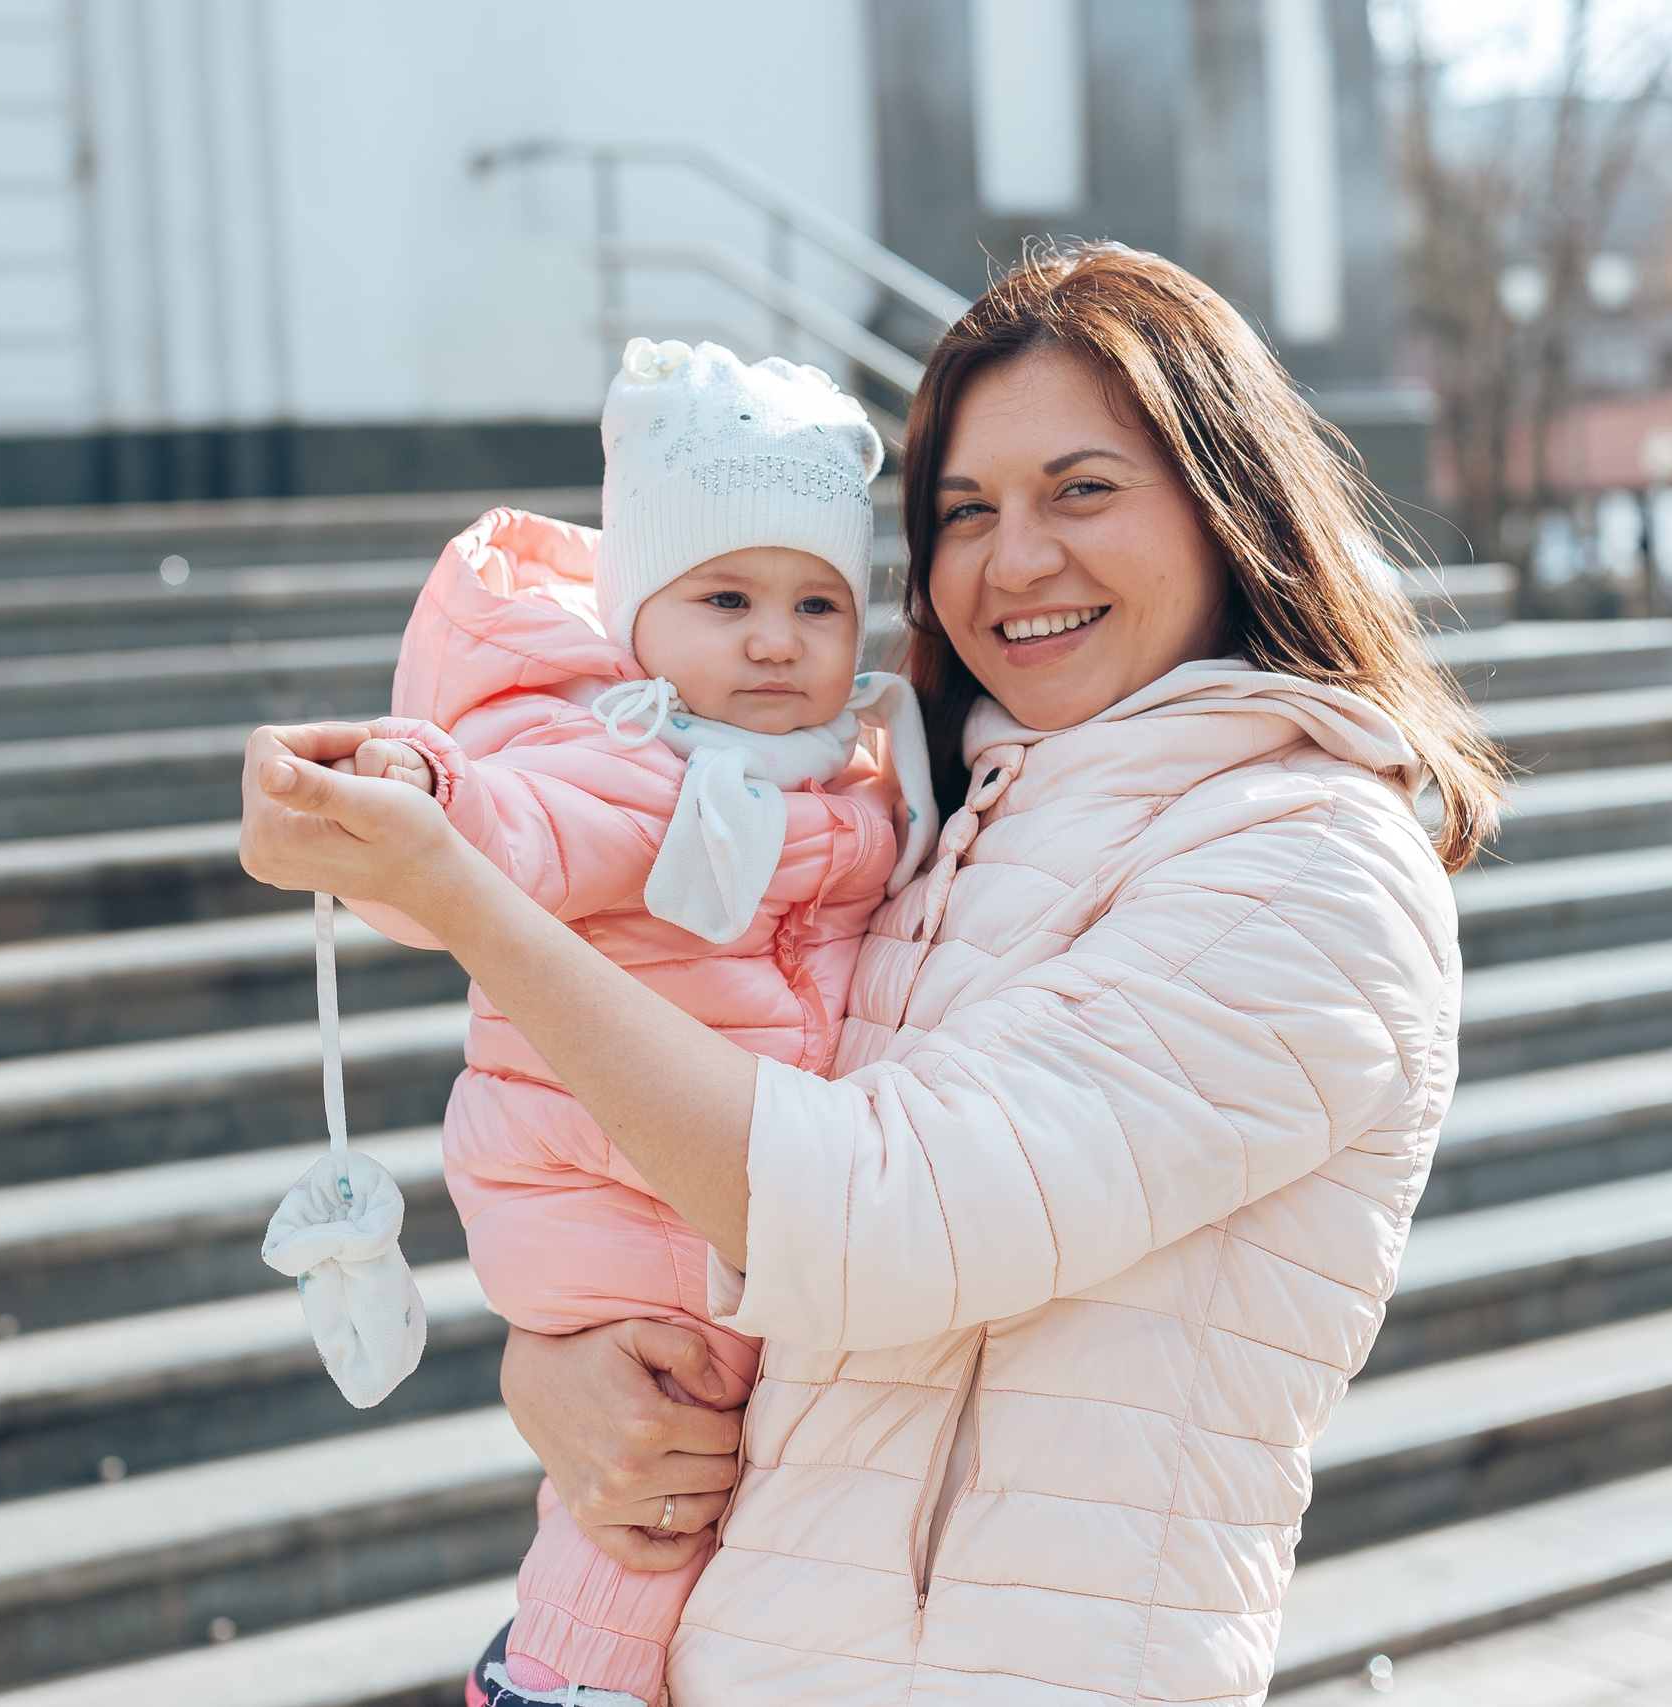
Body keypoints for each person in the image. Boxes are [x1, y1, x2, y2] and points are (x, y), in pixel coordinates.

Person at [240, 243, 1505, 1705]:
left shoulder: (1308, 862)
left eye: (1082, 490)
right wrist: (566, 1362)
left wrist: (461, 897)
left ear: (1231, 504)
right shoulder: (939, 819)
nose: (1014, 560)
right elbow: (725, 1191)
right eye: (964, 511)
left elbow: (871, 1213)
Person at [337, 340, 935, 1707]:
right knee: (661, 1479)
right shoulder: (626, 760)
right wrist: (418, 786)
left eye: (817, 603)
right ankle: (559, 1688)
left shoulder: (842, 768)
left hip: (717, 1179)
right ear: (638, 618)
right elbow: (509, 831)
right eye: (725, 598)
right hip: (622, 1201)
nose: (776, 639)